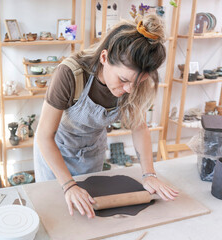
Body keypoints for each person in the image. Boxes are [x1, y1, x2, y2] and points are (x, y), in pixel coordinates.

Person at [33, 15, 179, 219]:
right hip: (57, 151)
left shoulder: (135, 82)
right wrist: (68, 185)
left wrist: (149, 174)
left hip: (92, 153)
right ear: (104, 58)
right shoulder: (70, 74)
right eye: (123, 80)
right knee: (57, 215)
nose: (128, 89)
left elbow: (139, 127)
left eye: (136, 83)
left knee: (89, 215)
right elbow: (44, 136)